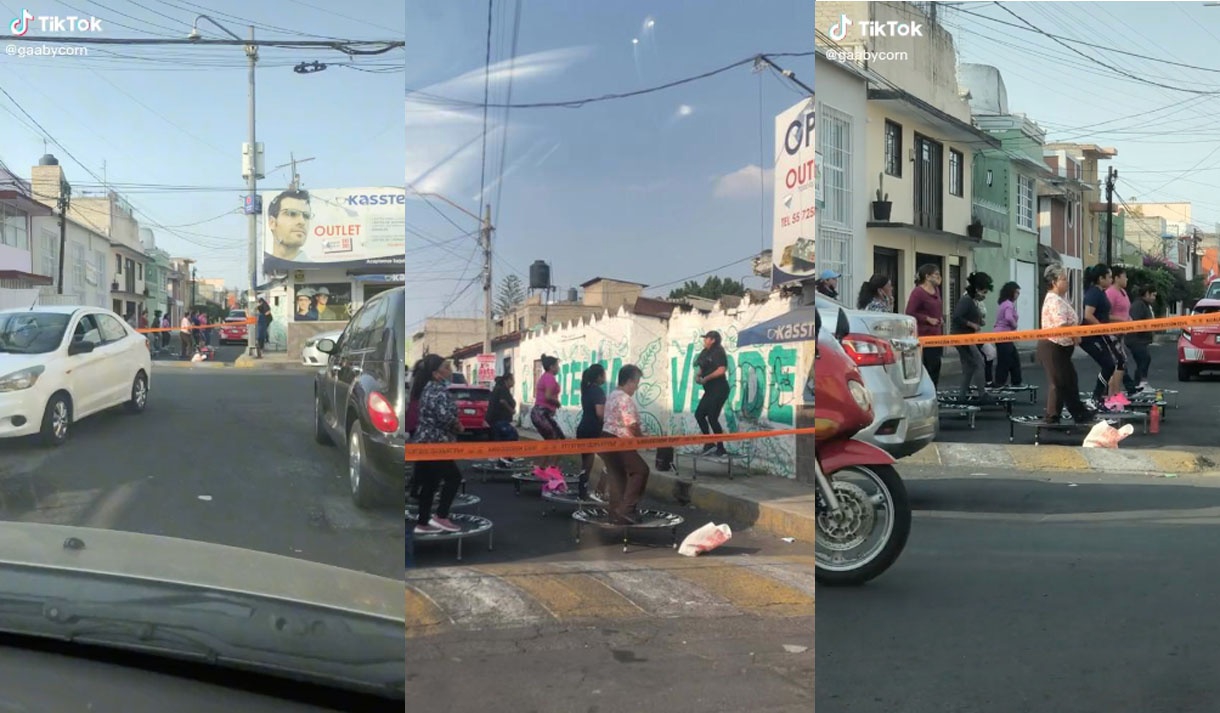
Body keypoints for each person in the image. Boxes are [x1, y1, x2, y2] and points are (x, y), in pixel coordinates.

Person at [409, 354, 465, 535]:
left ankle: (422, 522)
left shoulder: (429, 388)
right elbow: (443, 416)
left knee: (430, 483)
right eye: (446, 367)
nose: (450, 371)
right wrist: (457, 424)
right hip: (435, 443)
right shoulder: (437, 390)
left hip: (426, 441)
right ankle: (441, 516)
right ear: (436, 373)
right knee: (453, 478)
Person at [1038, 263, 1095, 424]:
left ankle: (1079, 413)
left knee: (1069, 380)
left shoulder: (1060, 299)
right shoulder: (1054, 300)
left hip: (1062, 347)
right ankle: (1052, 417)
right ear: (1054, 282)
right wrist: (1075, 334)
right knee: (1058, 382)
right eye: (1063, 279)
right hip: (1053, 345)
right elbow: (1061, 324)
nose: (1067, 283)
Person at [597, 365, 651, 525]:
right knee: (641, 470)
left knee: (617, 475)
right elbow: (632, 424)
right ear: (629, 381)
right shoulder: (625, 398)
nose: (637, 387)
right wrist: (642, 438)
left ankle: (615, 512)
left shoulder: (612, 395)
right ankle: (627, 510)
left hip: (606, 438)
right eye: (636, 382)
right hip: (619, 440)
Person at [1080, 263, 1126, 410]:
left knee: (1116, 362)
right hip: (1090, 336)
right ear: (1101, 278)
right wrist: (1100, 327)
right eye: (1109, 277)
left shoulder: (1101, 293)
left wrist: (1121, 321)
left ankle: (1098, 397)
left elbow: (1105, 315)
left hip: (1101, 334)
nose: (1111, 280)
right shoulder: (1093, 293)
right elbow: (1088, 315)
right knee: (1108, 364)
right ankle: (1096, 397)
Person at [950, 271, 993, 401]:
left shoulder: (973, 301)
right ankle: (982, 393)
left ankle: (962, 395)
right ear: (977, 289)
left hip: (967, 336)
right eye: (984, 292)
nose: (984, 296)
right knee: (978, 362)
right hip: (962, 337)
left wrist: (978, 322)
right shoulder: (966, 300)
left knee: (969, 366)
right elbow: (956, 317)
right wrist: (972, 324)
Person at [906, 264, 944, 387]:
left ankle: (934, 391)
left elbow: (936, 308)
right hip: (924, 335)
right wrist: (927, 319)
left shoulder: (937, 290)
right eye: (936, 275)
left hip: (937, 334)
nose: (939, 278)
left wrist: (940, 318)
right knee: (928, 366)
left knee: (936, 365)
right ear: (927, 276)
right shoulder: (918, 292)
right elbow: (909, 312)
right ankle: (926, 391)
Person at [694, 331, 730, 457]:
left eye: (707, 338)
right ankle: (709, 443)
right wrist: (698, 376)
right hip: (709, 391)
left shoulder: (718, 352)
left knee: (712, 417)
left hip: (719, 389)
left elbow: (721, 370)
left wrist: (707, 378)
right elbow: (701, 368)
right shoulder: (705, 353)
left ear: (713, 340)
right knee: (699, 414)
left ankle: (721, 449)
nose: (704, 340)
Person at [576, 364, 608, 500]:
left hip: (583, 429)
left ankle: (582, 492)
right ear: (599, 376)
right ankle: (600, 492)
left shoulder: (587, 389)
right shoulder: (598, 391)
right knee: (611, 460)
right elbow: (600, 413)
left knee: (587, 464)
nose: (605, 377)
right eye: (604, 374)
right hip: (594, 430)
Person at [1105, 266, 1138, 395]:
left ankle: (1115, 393)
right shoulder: (1111, 293)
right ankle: (1112, 395)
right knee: (1118, 362)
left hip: (1121, 334)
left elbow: (1125, 312)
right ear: (1117, 278)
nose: (1127, 279)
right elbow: (1105, 315)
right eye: (1124, 276)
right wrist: (1121, 320)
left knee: (1121, 363)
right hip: (1111, 334)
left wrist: (1129, 320)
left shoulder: (1123, 293)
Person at [530, 355, 566, 472]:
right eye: (557, 365)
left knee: (550, 441)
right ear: (551, 367)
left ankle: (541, 467)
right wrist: (557, 402)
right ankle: (551, 468)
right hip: (542, 413)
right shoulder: (549, 378)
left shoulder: (546, 377)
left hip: (541, 413)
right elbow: (548, 396)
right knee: (559, 441)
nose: (558, 368)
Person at [485, 373, 521, 469]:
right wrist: (511, 410)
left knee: (501, 439)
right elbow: (502, 401)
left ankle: (502, 459)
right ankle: (505, 457)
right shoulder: (502, 389)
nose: (514, 382)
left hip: (498, 419)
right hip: (498, 419)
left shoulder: (502, 389)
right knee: (512, 434)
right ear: (507, 380)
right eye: (512, 380)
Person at [992, 281, 1023, 388]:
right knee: (1005, 360)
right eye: (1017, 293)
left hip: (1002, 335)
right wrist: (1014, 325)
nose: (1018, 295)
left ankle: (1016, 381)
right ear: (1011, 292)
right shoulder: (1009, 305)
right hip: (1004, 335)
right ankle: (1000, 382)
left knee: (1012, 358)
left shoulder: (1003, 303)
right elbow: (1008, 317)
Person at [267, 189, 313, 262]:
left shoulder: (318, 271)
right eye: (292, 213)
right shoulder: (260, 268)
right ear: (272, 222)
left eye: (306, 216)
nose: (302, 221)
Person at [1126, 284, 1157, 390]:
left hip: (1141, 339)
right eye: (1153, 295)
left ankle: (1138, 383)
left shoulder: (1145, 304)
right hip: (1135, 339)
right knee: (1144, 358)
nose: (1154, 298)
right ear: (1147, 294)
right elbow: (1135, 322)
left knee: (1143, 360)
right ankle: (1140, 382)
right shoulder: (1139, 305)